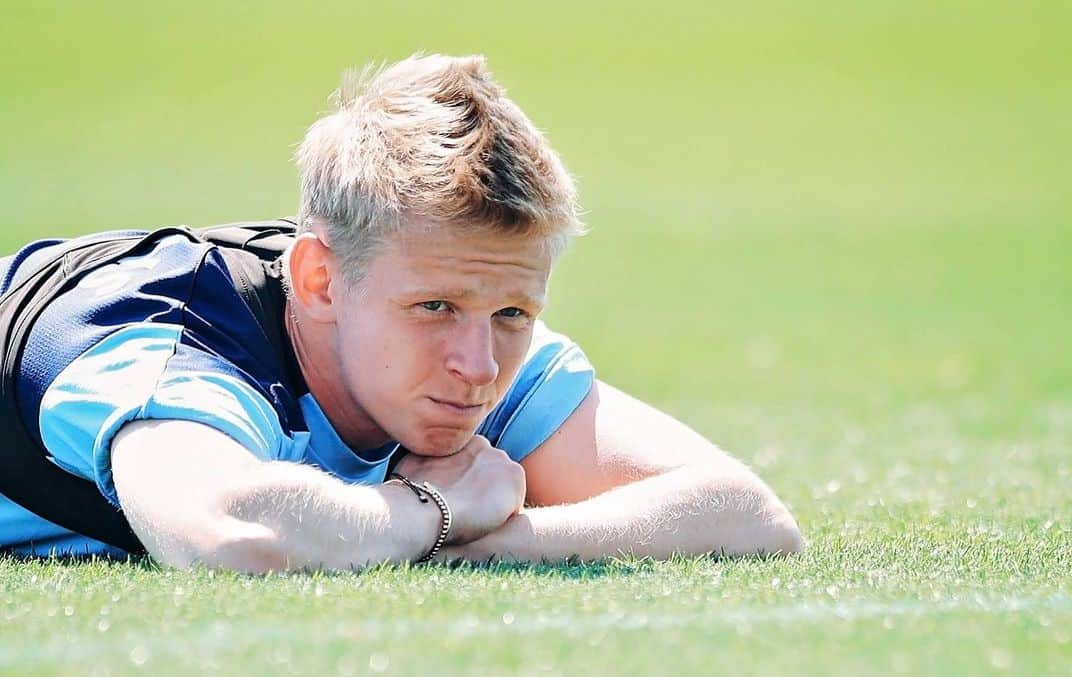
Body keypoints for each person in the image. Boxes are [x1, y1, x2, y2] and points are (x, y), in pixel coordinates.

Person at [0, 54, 803, 571]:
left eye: (516, 313)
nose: (480, 365)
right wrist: (435, 508)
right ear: (318, 280)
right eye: (436, 307)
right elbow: (234, 538)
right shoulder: (169, 337)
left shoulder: (461, 316)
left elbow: (744, 512)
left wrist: (512, 540)